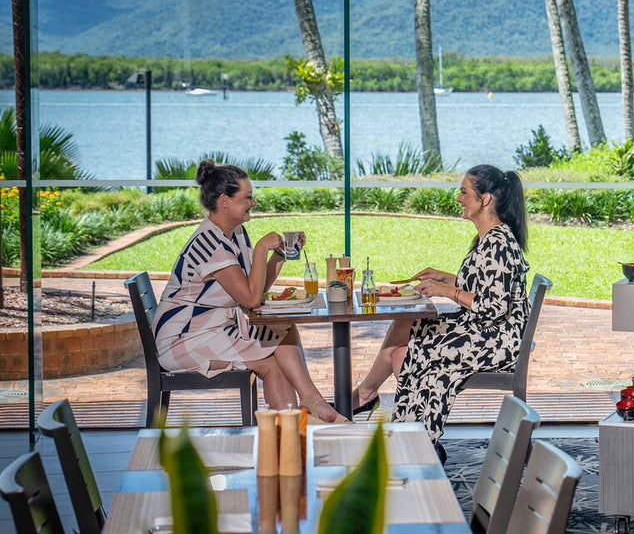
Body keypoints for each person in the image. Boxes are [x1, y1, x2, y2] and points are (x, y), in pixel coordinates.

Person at [351, 165, 530, 456]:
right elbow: (486, 283)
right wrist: (446, 277)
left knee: (404, 353)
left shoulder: (498, 243)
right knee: (407, 324)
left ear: (485, 199)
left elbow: (494, 307)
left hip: (495, 341)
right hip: (484, 331)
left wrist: (447, 291)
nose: (458, 198)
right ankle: (407, 430)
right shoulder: (491, 238)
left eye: (464, 192)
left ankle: (418, 440)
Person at [152, 159, 347, 423]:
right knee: (270, 362)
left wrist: (278, 256)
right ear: (224, 201)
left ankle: (301, 416)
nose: (253, 203)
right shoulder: (210, 244)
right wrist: (260, 249)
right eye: (248, 197)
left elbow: (254, 290)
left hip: (212, 329)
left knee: (284, 329)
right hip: (184, 339)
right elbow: (253, 299)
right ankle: (302, 415)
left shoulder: (236, 233)